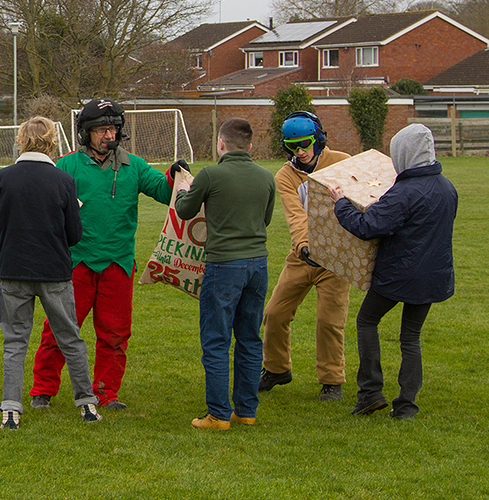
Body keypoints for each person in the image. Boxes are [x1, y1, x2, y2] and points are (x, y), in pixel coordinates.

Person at [29, 98, 180, 410]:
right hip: (76, 262)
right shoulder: (67, 166)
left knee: (115, 334)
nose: (107, 135)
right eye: (100, 130)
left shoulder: (134, 166)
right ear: (86, 133)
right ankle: (43, 389)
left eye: (112, 129)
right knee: (60, 329)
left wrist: (174, 176)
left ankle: (106, 392)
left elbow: (165, 193)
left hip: (119, 263)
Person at [0, 117, 102, 429]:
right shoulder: (63, 181)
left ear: (21, 140)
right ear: (51, 142)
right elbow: (74, 234)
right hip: (55, 272)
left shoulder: (3, 178)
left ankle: (10, 408)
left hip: (14, 270)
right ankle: (86, 403)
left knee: (15, 342)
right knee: (70, 339)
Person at [328, 123, 456, 419]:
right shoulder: (447, 187)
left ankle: (370, 393)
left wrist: (341, 205)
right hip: (433, 277)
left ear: (404, 154)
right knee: (410, 337)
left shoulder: (404, 193)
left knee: (367, 321)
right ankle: (407, 406)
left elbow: (367, 226)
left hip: (398, 275)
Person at [174, 118, 275, 430]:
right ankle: (246, 410)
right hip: (258, 264)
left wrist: (181, 190)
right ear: (250, 145)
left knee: (216, 339)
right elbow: (267, 218)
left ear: (220, 144)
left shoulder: (210, 174)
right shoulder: (266, 176)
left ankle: (218, 414)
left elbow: (185, 211)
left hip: (224, 264)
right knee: (249, 337)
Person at [260, 111, 352, 401]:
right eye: (292, 146)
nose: (299, 152)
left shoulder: (342, 161)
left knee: (329, 321)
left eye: (304, 144)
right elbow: (295, 214)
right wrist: (304, 246)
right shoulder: (285, 175)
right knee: (274, 314)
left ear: (319, 139)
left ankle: (332, 380)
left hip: (337, 257)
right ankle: (277, 369)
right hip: (302, 256)